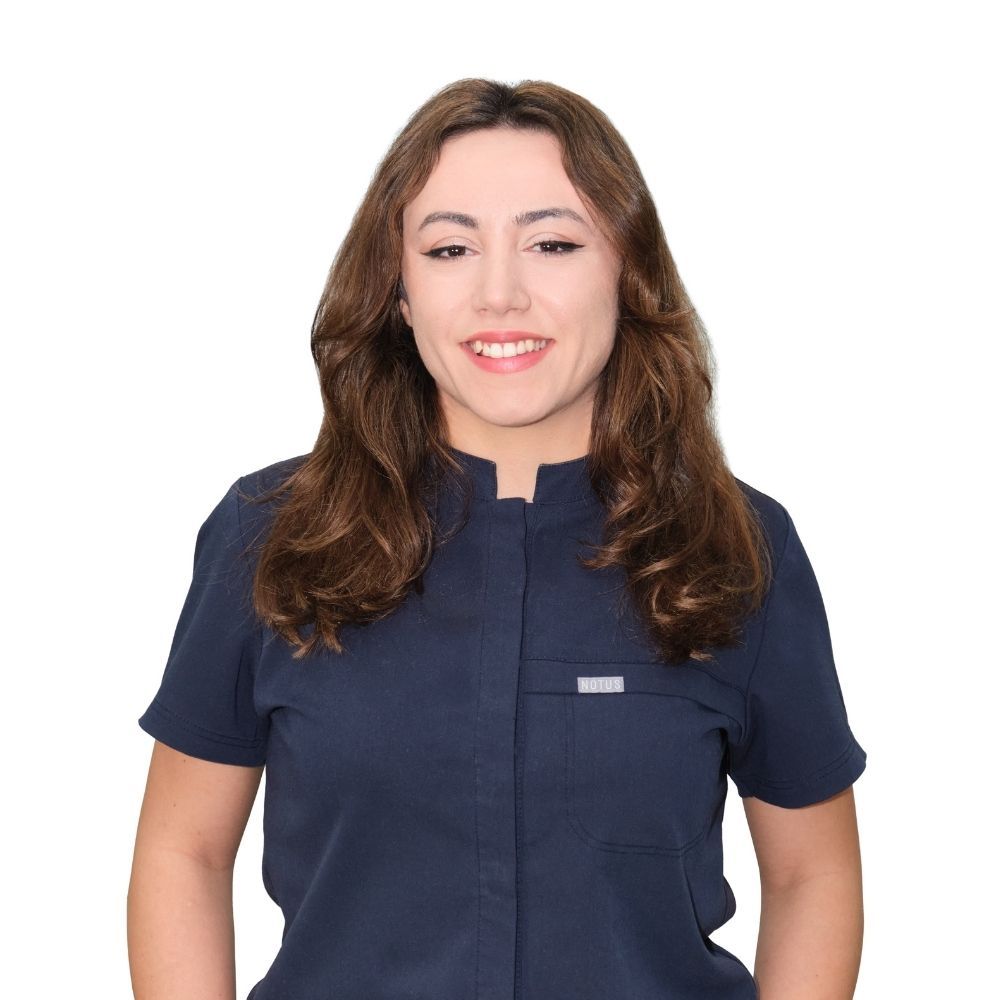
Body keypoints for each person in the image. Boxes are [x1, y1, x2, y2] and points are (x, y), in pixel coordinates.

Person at [127, 78, 867, 1000]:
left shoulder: (735, 547)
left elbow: (810, 873)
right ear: (399, 292)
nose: (500, 294)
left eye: (553, 244)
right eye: (450, 248)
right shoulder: (273, 533)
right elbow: (185, 850)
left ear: (627, 272)